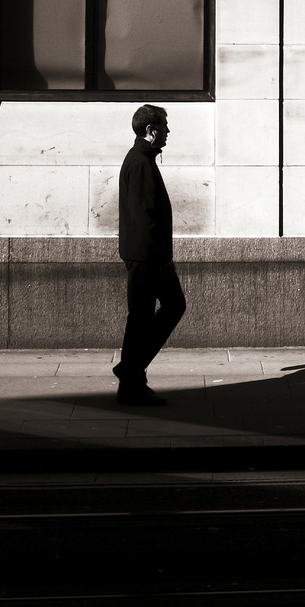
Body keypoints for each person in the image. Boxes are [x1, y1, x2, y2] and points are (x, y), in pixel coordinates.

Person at [114, 104, 186, 407]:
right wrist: (163, 260)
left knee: (142, 318)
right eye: (165, 127)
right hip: (147, 257)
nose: (168, 132)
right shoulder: (141, 162)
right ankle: (130, 372)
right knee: (168, 307)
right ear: (151, 130)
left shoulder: (140, 158)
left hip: (145, 254)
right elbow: (146, 217)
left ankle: (131, 380)